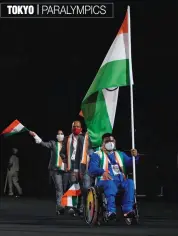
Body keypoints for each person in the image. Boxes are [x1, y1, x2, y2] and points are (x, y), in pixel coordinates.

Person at [88, 133, 139, 220]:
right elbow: (92, 169)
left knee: (130, 183)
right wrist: (102, 172)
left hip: (120, 181)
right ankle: (111, 211)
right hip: (104, 181)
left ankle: (128, 210)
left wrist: (135, 156)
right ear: (102, 143)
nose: (110, 143)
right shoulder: (97, 154)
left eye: (112, 141)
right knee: (110, 183)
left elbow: (131, 163)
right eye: (107, 141)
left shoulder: (120, 154)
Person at [29, 129, 66, 215]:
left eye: (61, 134)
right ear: (56, 136)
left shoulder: (67, 144)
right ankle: (59, 208)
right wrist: (35, 135)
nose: (60, 135)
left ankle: (70, 207)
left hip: (66, 170)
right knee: (59, 189)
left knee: (67, 188)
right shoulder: (53, 143)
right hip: (55, 170)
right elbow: (42, 143)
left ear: (64, 135)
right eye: (58, 134)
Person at [61, 120, 93, 216]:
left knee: (85, 187)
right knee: (75, 187)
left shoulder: (85, 138)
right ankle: (74, 208)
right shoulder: (67, 139)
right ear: (71, 128)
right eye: (74, 126)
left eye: (78, 126)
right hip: (73, 165)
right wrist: (64, 158)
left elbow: (90, 149)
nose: (76, 128)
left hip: (84, 165)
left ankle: (83, 208)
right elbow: (62, 152)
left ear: (81, 128)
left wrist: (89, 156)